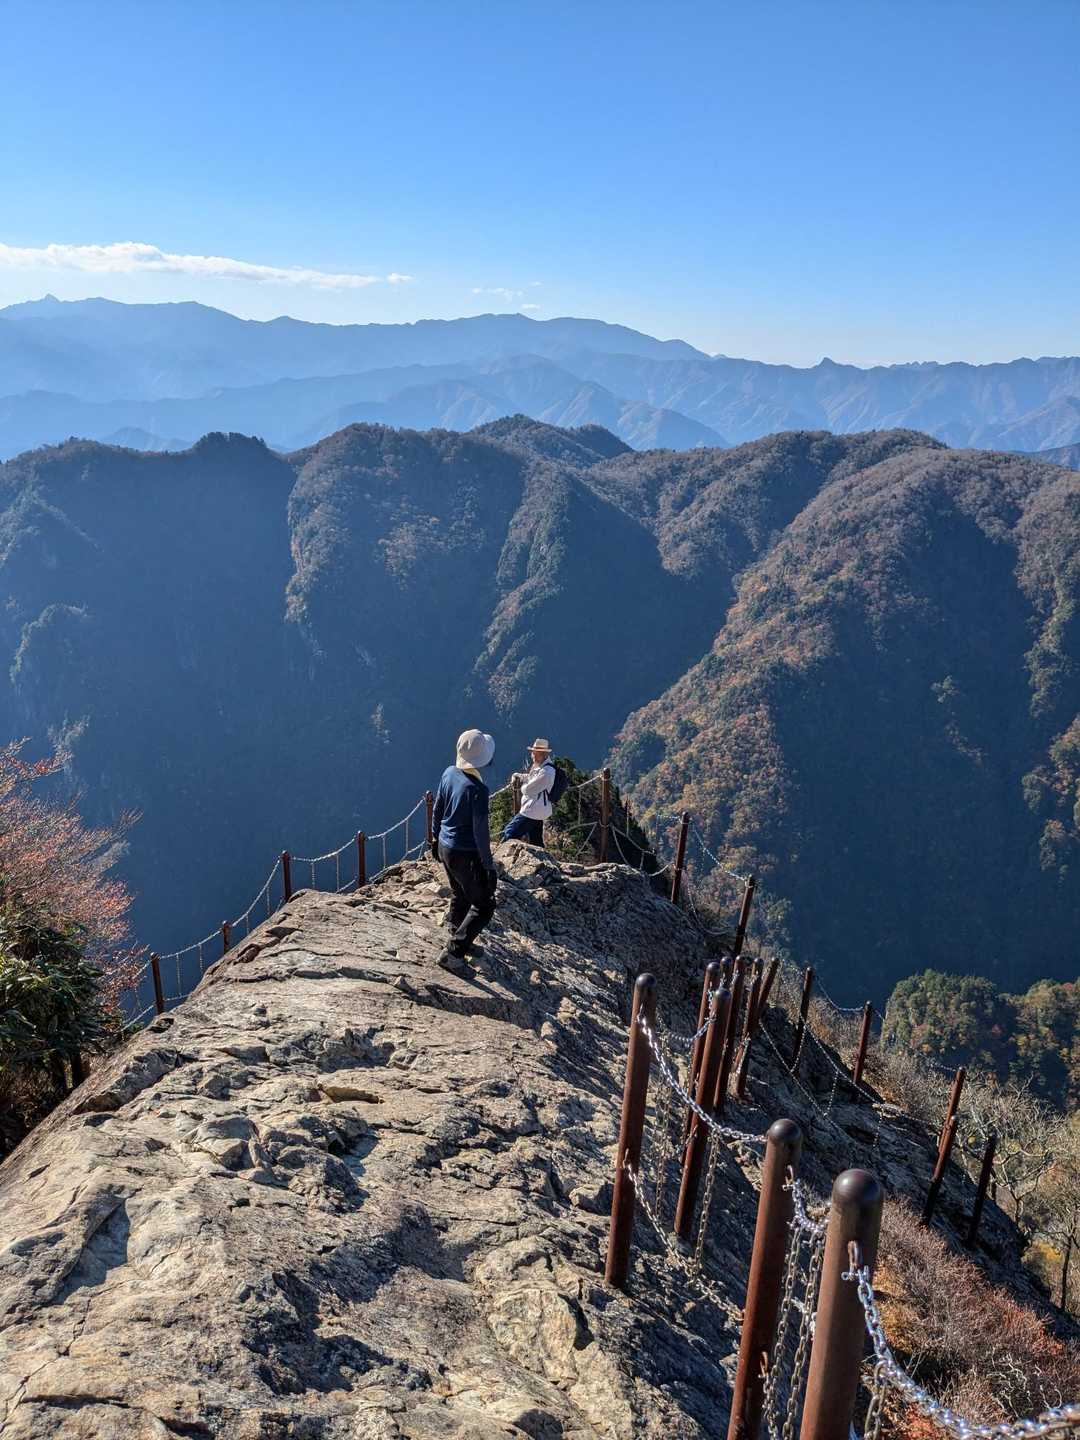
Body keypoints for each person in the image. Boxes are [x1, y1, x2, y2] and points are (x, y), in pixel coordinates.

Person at [430, 728, 498, 974]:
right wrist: (488, 867)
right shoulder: (478, 791)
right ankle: (454, 953)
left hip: (445, 847)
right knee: (484, 905)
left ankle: (457, 934)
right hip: (464, 852)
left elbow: (438, 808)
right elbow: (480, 833)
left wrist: (435, 838)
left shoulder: (449, 773)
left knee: (460, 893)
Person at [502, 738, 556, 848]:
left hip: (532, 810)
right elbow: (531, 778)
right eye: (532, 752)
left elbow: (529, 790)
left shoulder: (546, 772)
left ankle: (502, 856)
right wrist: (518, 776)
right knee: (536, 840)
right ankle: (543, 859)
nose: (532, 756)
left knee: (510, 832)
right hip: (537, 808)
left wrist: (522, 787)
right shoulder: (542, 767)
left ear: (543, 754)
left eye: (535, 753)